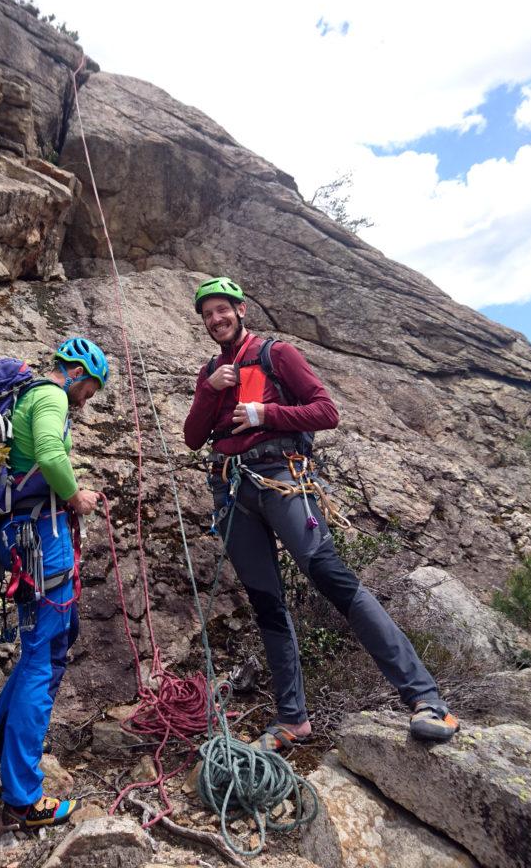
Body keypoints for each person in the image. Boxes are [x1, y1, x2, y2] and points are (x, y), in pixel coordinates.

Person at [183, 277, 459, 750]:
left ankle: (426, 698)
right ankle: (293, 719)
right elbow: (192, 438)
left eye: (222, 310)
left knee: (332, 577)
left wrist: (266, 415)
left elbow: (326, 411)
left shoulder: (277, 354)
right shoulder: (211, 371)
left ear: (241, 309)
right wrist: (210, 390)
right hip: (232, 491)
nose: (216, 320)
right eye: (207, 314)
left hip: (281, 478)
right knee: (266, 602)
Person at [0, 337, 109, 829]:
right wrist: (77, 495)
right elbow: (49, 452)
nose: (89, 398)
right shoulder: (52, 395)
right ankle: (22, 798)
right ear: (79, 372)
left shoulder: (27, 396)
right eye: (92, 388)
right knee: (42, 657)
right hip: (38, 541)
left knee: (55, 639)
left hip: (24, 536)